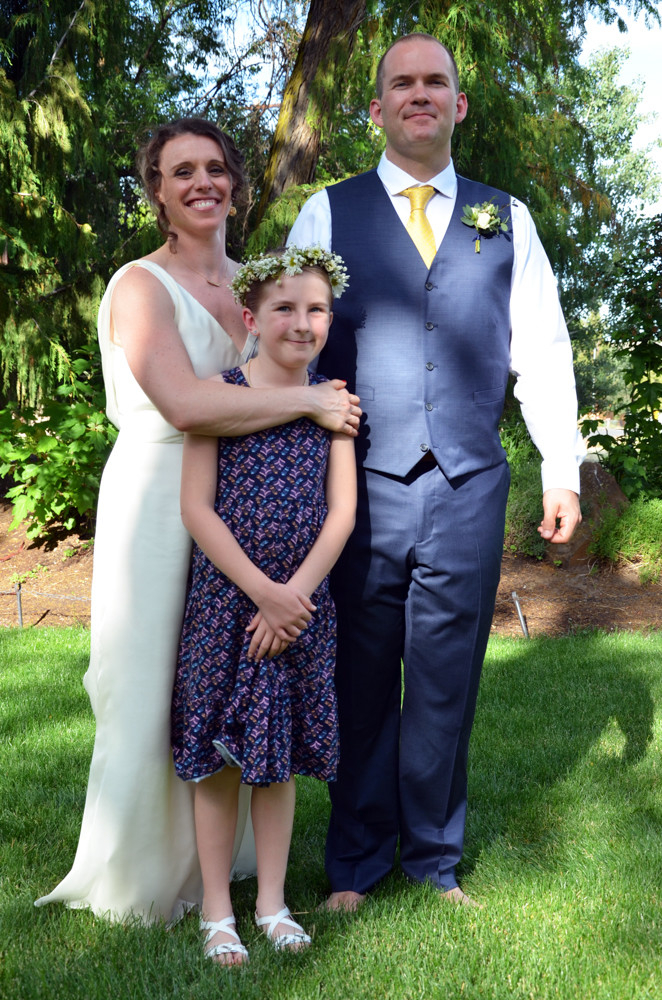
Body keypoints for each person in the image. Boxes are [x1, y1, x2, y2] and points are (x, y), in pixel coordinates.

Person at [35, 119, 360, 925]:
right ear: (156, 190)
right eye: (181, 171)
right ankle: (139, 873)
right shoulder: (139, 285)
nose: (202, 182)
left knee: (228, 680)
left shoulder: (258, 284)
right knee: (148, 685)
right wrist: (312, 401)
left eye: (215, 168)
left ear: (236, 184)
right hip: (158, 496)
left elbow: (285, 369)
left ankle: (229, 870)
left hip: (246, 502)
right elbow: (183, 404)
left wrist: (311, 405)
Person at [288, 34, 584, 909]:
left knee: (448, 677)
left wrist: (561, 469)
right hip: (358, 487)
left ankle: (433, 860)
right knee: (360, 674)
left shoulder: (507, 217)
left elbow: (543, 350)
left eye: (436, 83)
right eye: (402, 83)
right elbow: (292, 344)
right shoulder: (326, 212)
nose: (419, 94)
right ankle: (354, 862)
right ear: (376, 109)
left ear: (458, 105)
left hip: (467, 485)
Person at [170, 247, 356, 964]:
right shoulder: (218, 397)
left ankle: (272, 904)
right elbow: (197, 508)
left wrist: (295, 597)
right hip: (228, 605)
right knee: (218, 758)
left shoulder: (334, 404)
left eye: (316, 309)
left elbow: (341, 514)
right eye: (284, 308)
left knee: (278, 761)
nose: (302, 323)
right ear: (251, 318)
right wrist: (263, 593)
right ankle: (217, 910)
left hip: (303, 610)